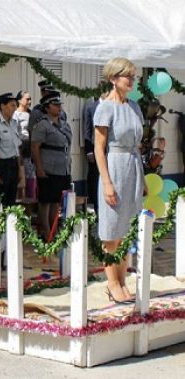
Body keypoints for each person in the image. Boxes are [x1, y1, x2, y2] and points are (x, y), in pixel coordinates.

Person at [93, 57, 145, 303]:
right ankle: (112, 282)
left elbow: (138, 145)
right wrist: (106, 182)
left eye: (134, 76)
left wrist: (142, 176)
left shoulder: (134, 106)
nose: (132, 80)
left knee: (126, 229)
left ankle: (123, 280)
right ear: (114, 78)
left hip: (133, 166)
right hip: (114, 166)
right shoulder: (105, 107)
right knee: (112, 230)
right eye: (128, 76)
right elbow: (98, 148)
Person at [31, 91, 72, 241]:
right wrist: (40, 169)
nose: (59, 107)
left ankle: (54, 231)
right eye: (55, 105)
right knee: (45, 202)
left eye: (59, 105)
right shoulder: (42, 125)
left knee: (56, 201)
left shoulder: (64, 124)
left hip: (63, 169)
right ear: (47, 107)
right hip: (48, 169)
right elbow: (35, 147)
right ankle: (46, 233)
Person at [0, 92, 22, 207]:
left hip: (13, 164)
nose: (15, 108)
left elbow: (17, 149)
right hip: (1, 165)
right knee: (0, 200)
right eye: (12, 105)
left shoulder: (14, 123)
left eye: (15, 105)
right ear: (2, 106)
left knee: (11, 200)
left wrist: (20, 169)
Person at [14, 90, 35, 201]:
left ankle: (31, 201)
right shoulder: (16, 115)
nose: (29, 101)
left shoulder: (31, 114)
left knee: (31, 178)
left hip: (32, 149)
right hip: (21, 148)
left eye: (30, 99)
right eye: (27, 99)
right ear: (19, 100)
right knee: (22, 177)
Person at [83, 96, 101, 214]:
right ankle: (97, 206)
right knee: (95, 178)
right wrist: (89, 150)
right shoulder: (91, 107)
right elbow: (87, 130)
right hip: (95, 148)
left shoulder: (116, 105)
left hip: (112, 150)